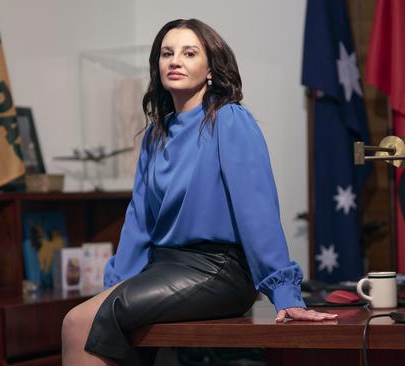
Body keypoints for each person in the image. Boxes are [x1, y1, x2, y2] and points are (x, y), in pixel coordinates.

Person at [62, 18, 338, 365]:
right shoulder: (154, 134)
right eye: (167, 53)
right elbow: (140, 220)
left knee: (82, 321)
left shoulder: (229, 119)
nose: (175, 60)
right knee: (80, 320)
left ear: (210, 69)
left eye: (189, 53)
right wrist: (115, 284)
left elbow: (257, 211)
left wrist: (285, 294)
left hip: (217, 268)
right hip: (165, 268)